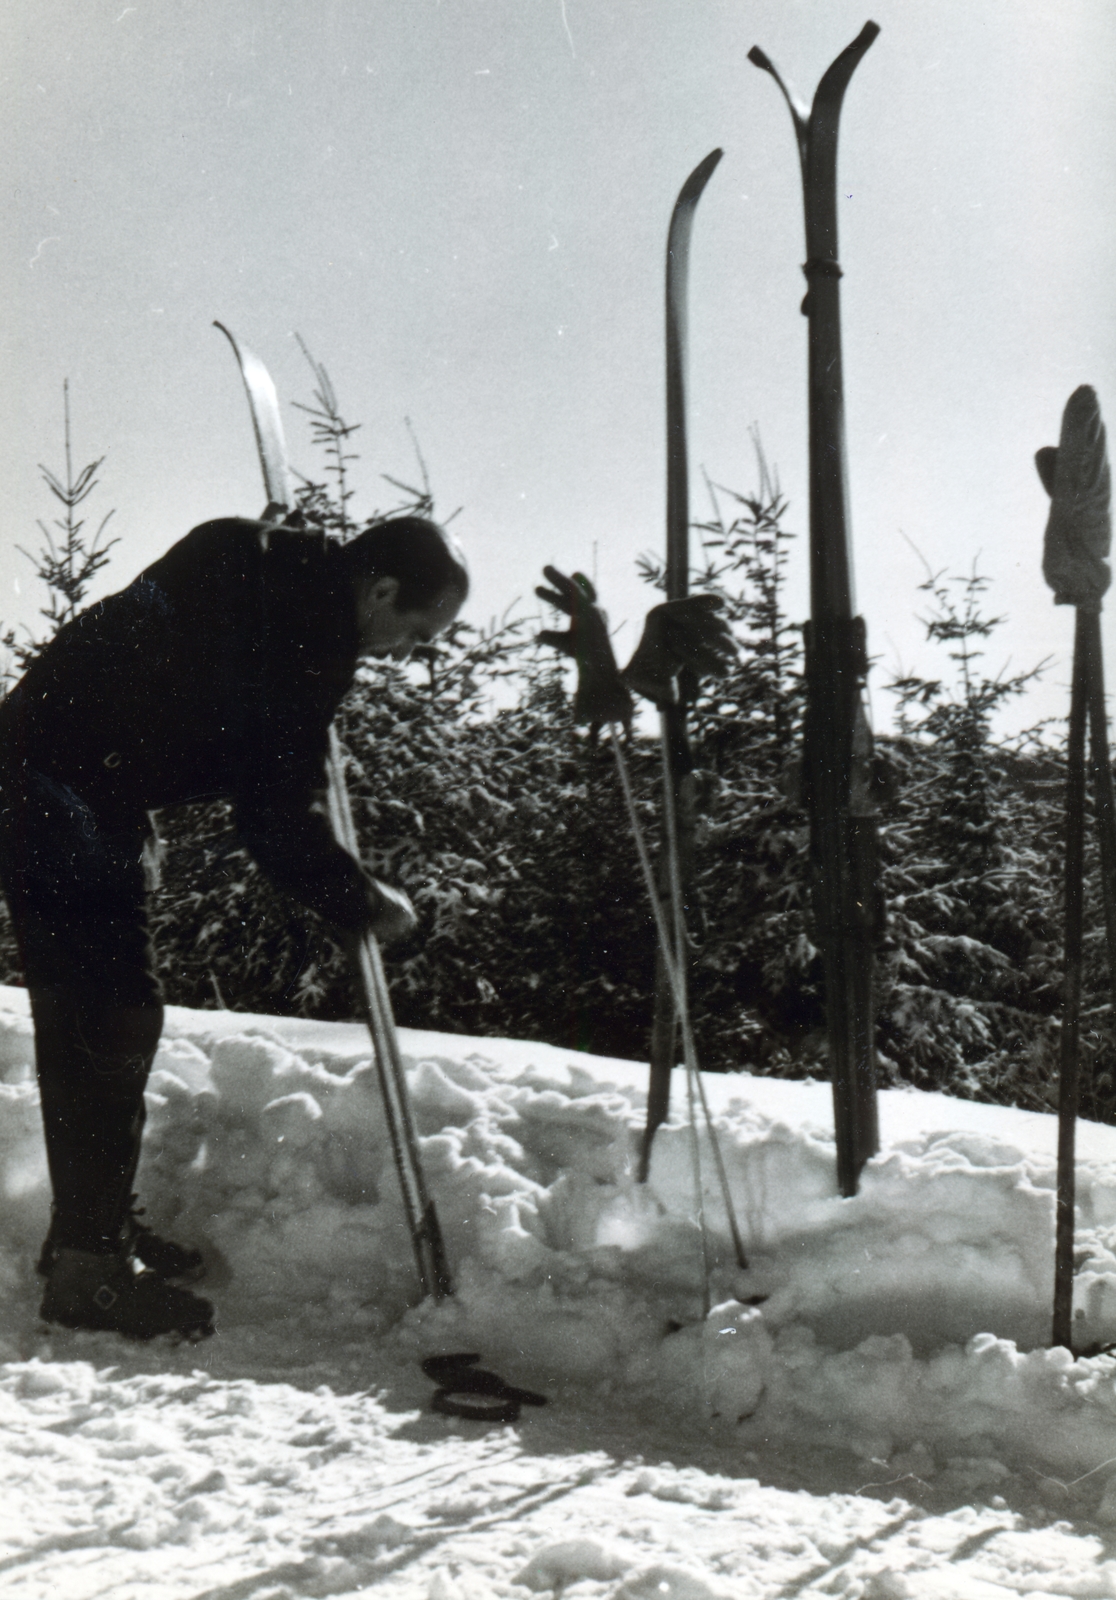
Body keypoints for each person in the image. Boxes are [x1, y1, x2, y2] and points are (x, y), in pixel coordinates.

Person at [0, 512, 468, 1341]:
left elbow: (191, 672)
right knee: (107, 1015)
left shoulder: (252, 563)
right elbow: (273, 815)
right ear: (383, 588)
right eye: (414, 630)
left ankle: (90, 1230)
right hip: (51, 782)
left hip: (73, 779)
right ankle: (88, 1269)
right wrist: (357, 898)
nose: (406, 651)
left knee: (106, 1014)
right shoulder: (301, 635)